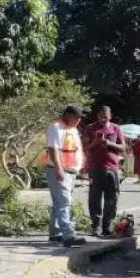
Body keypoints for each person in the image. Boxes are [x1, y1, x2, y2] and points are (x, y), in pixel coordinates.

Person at [39, 104, 86, 248]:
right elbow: (53, 149)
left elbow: (76, 149)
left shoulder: (72, 129)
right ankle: (68, 235)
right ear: (68, 115)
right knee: (65, 202)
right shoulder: (55, 127)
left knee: (59, 203)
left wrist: (81, 166)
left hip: (70, 171)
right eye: (77, 117)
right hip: (59, 170)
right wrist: (59, 168)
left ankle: (55, 234)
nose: (79, 120)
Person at [82, 106, 126, 237]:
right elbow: (84, 147)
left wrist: (109, 143)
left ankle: (107, 226)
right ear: (97, 116)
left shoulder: (116, 128)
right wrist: (94, 142)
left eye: (105, 117)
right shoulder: (90, 128)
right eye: (100, 116)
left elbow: (123, 147)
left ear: (110, 116)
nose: (102, 119)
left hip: (112, 168)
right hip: (95, 167)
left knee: (112, 198)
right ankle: (96, 226)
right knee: (94, 198)